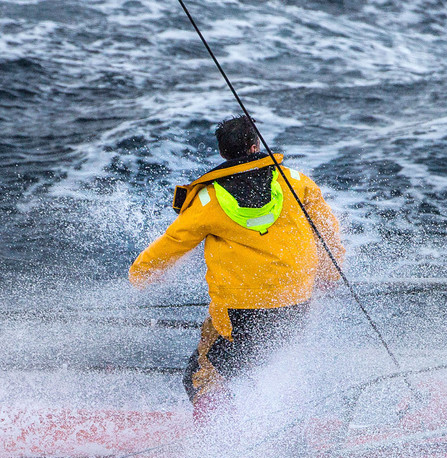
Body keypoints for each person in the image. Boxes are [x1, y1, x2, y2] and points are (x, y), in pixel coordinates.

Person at [130, 116, 345, 419]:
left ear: (223, 152)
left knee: (200, 379)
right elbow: (326, 230)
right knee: (270, 367)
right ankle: (282, 431)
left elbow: (173, 242)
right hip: (296, 303)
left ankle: (226, 442)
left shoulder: (208, 200)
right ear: (255, 146)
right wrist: (330, 273)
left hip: (240, 315)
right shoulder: (296, 183)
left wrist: (139, 275)